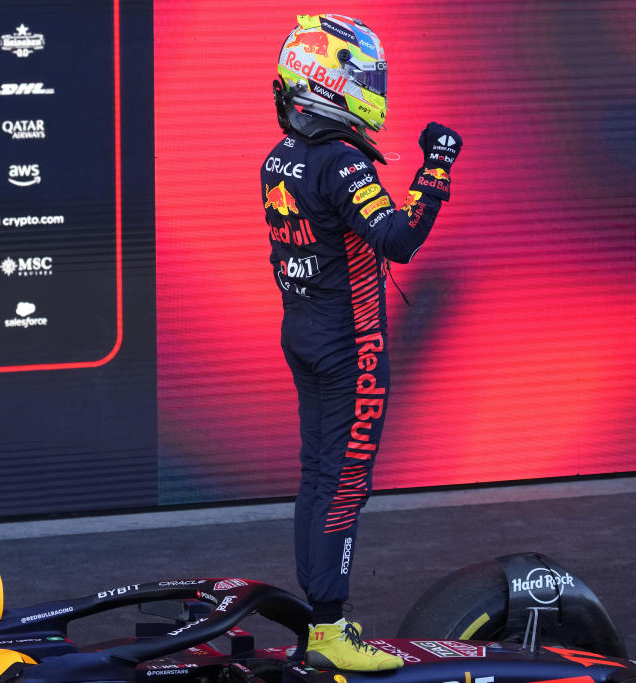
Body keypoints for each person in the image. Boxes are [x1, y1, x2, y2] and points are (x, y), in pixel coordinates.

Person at [260, 13, 462, 672]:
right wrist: (436, 166)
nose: (373, 88)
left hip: (304, 333)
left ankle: (322, 616)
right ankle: (329, 629)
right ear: (325, 83)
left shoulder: (279, 156)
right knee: (344, 484)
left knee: (316, 477)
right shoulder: (341, 161)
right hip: (352, 346)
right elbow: (399, 240)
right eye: (362, 77)